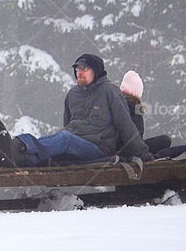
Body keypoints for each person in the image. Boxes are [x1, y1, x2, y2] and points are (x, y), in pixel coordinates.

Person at [13, 53, 153, 166]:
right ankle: (18, 158)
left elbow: (126, 127)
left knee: (64, 138)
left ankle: (21, 145)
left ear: (96, 71)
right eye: (78, 69)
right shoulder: (73, 94)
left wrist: (144, 154)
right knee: (58, 145)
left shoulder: (110, 92)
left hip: (99, 148)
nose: (79, 72)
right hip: (73, 144)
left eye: (84, 69)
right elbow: (67, 123)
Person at [119, 70, 186, 160]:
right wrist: (144, 153)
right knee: (164, 142)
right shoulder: (132, 107)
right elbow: (135, 138)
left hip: (121, 150)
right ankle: (183, 150)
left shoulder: (118, 103)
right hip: (130, 152)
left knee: (164, 141)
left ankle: (183, 150)